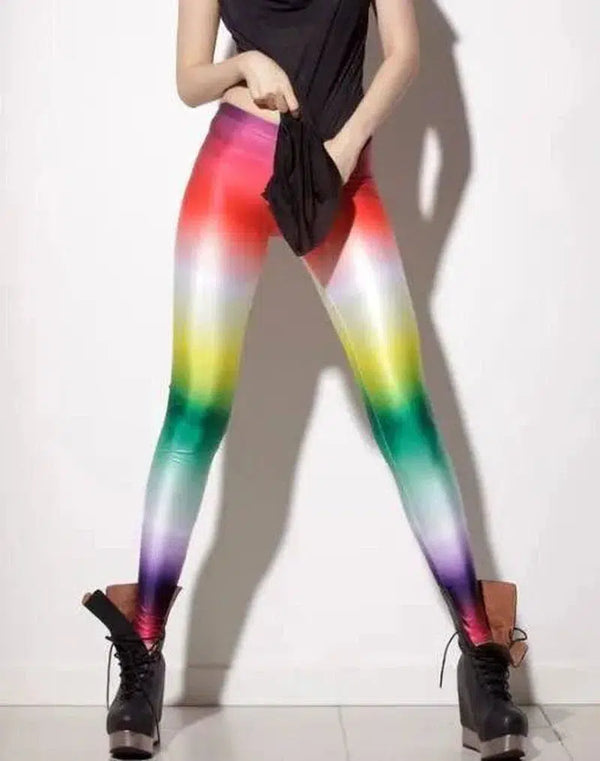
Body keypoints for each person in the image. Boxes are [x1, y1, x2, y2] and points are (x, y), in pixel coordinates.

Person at [81, 1, 529, 759]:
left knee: (405, 415)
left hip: (340, 173)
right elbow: (189, 80)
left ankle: (483, 665)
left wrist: (348, 144)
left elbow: (405, 54)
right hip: (234, 164)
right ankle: (143, 659)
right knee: (194, 412)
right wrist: (242, 64)